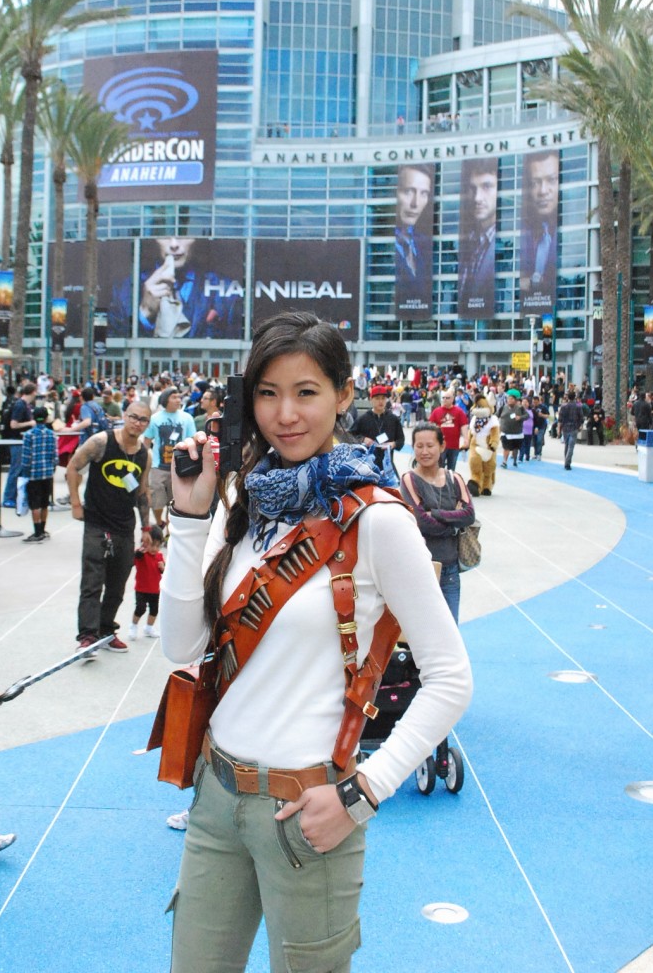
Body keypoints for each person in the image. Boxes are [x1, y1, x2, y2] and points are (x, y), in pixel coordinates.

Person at [159, 312, 472, 973]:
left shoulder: (378, 520)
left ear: (344, 395)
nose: (284, 413)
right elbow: (181, 645)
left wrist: (362, 793)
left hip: (310, 811)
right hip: (215, 800)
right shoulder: (246, 500)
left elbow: (451, 677)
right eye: (267, 392)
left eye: (306, 391)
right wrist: (190, 520)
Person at [66, 402, 152, 657]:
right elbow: (73, 466)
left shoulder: (144, 454)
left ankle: (105, 630)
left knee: (117, 585)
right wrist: (75, 503)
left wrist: (146, 526)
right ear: (124, 417)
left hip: (125, 526)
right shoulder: (101, 441)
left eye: (143, 420)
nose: (137, 423)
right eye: (134, 417)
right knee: (92, 581)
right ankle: (87, 636)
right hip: (97, 522)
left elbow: (142, 492)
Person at [399, 422, 475, 624]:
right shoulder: (409, 480)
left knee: (450, 630)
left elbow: (469, 514)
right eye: (419, 446)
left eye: (430, 445)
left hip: (450, 568)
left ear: (442, 446)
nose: (424, 451)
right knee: (420, 634)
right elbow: (422, 522)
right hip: (421, 567)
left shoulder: (454, 478)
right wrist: (452, 521)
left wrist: (437, 513)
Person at [108, 236, 242, 339]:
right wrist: (144, 314)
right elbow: (113, 344)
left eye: (183, 235)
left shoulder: (225, 289)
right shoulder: (123, 290)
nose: (174, 245)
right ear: (154, 240)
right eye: (165, 236)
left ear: (196, 240)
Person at [144, 388, 197, 526]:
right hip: (158, 466)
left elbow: (192, 439)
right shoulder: (155, 419)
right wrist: (144, 459)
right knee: (157, 500)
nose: (178, 400)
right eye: (174, 397)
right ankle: (159, 522)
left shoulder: (187, 418)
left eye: (179, 397)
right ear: (165, 400)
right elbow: (147, 440)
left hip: (179, 466)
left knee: (174, 501)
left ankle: (169, 529)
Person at [457, 158, 498, 317]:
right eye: (472, 188)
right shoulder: (469, 243)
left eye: (486, 187)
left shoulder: (506, 246)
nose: (477, 198)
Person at [520, 151, 559, 308]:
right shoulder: (522, 234)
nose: (543, 191)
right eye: (535, 183)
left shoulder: (572, 237)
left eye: (551, 180)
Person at [394, 164, 433, 312]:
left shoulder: (425, 244)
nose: (415, 203)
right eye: (409, 191)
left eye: (423, 193)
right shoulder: (379, 249)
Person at [353, 384, 404, 485]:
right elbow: (350, 436)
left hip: (388, 466)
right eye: (377, 398)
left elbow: (401, 440)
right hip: (367, 468)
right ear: (371, 399)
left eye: (383, 398)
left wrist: (393, 444)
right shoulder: (363, 419)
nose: (380, 401)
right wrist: (362, 439)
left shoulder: (393, 419)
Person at [19, 406, 58, 543]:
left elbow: (25, 457)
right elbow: (55, 456)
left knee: (34, 503)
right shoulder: (52, 434)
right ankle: (43, 529)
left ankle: (37, 532)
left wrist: (24, 471)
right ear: (46, 418)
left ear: (33, 418)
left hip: (33, 474)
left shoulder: (29, 435)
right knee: (44, 502)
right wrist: (52, 468)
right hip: (47, 473)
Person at [2, 382, 37, 508]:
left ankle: (15, 496)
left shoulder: (23, 404)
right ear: (33, 392)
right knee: (16, 469)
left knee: (20, 469)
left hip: (20, 440)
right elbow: (14, 424)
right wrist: (30, 423)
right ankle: (8, 497)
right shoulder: (20, 405)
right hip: (17, 440)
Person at [129, 525, 165, 640]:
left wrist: (162, 567)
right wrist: (142, 548)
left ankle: (149, 627)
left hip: (155, 589)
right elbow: (136, 556)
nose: (155, 549)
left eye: (158, 546)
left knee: (154, 610)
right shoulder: (142, 554)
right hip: (141, 588)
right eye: (152, 545)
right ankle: (133, 626)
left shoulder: (159, 556)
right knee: (140, 608)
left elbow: (163, 571)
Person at [428, 388, 469, 471]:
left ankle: (450, 482)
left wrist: (466, 439)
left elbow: (464, 425)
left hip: (454, 445)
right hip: (440, 445)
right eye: (443, 398)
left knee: (451, 469)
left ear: (452, 399)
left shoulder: (459, 411)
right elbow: (430, 425)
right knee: (439, 468)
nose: (445, 400)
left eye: (447, 398)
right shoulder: (436, 411)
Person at [499, 389, 528, 468]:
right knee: (506, 447)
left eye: (512, 399)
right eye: (508, 399)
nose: (510, 400)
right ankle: (504, 462)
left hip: (516, 433)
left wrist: (520, 417)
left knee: (515, 448)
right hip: (505, 431)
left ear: (515, 401)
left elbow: (527, 416)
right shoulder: (503, 408)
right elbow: (496, 415)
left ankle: (515, 460)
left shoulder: (520, 408)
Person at [557, 390, 584, 471]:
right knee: (571, 446)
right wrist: (580, 426)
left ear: (567, 397)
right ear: (574, 397)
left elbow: (560, 419)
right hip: (574, 427)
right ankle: (567, 463)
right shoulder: (578, 407)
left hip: (565, 428)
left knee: (567, 445)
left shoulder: (563, 406)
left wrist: (559, 429)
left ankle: (566, 460)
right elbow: (581, 418)